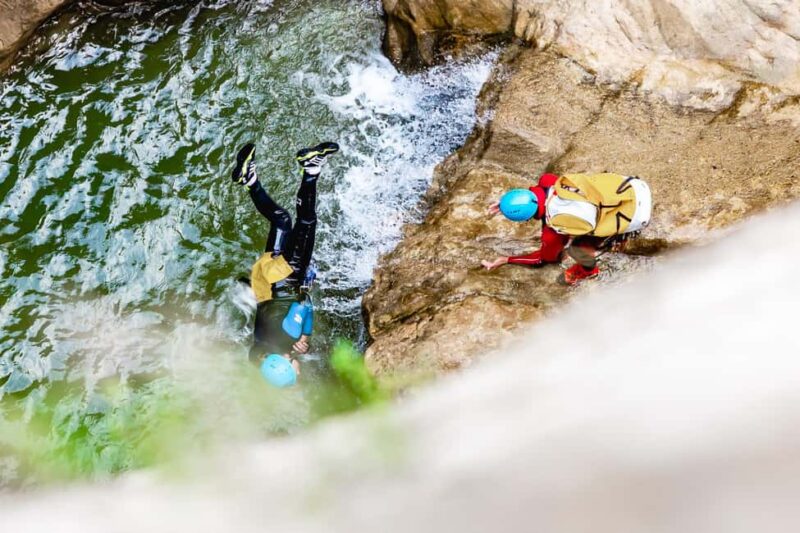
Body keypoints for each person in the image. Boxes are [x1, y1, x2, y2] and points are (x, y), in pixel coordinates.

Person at [231, 140, 339, 386]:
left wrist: (304, 334)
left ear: (283, 364)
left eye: (294, 373)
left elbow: (304, 305)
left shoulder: (288, 337)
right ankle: (248, 180)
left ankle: (310, 170)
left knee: (306, 223)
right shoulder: (261, 345)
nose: (298, 372)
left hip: (286, 276)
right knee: (281, 220)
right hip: (265, 283)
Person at [481, 172, 651, 285]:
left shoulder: (552, 233)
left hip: (638, 216)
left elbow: (544, 259)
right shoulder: (549, 180)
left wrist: (506, 260)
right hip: (634, 187)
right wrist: (504, 203)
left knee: (577, 249)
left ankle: (589, 271)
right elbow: (536, 193)